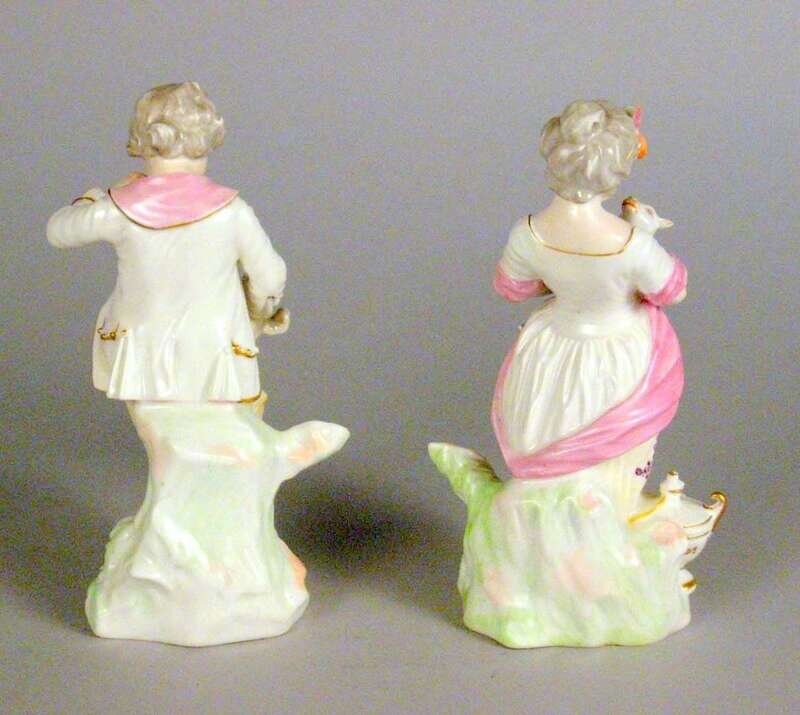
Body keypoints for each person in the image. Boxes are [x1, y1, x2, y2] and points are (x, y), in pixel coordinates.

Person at [47, 81, 286, 403]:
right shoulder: (233, 213)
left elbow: (59, 231)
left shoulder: (118, 210)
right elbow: (270, 276)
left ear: (143, 139)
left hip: (143, 358)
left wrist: (93, 199)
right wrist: (257, 312)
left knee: (153, 422)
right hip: (217, 357)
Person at [492, 100, 687, 485]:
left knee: (549, 434)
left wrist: (564, 276)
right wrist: (644, 234)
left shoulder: (527, 232)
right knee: (609, 459)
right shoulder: (631, 244)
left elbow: (514, 288)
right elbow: (671, 290)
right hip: (617, 355)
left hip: (550, 351)